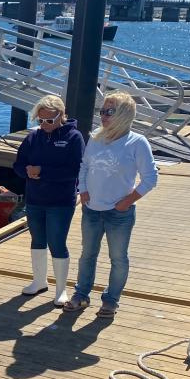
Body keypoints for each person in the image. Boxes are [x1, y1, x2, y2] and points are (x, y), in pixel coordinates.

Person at [64, 91, 158, 317]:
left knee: (118, 258)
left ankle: (111, 300)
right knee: (87, 254)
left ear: (124, 114)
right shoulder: (96, 138)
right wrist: (83, 190)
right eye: (102, 111)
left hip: (119, 213)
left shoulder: (137, 142)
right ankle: (81, 294)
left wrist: (127, 202)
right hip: (91, 210)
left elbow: (151, 178)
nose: (104, 116)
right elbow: (84, 166)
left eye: (110, 111)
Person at [13, 94, 84, 305]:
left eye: (49, 120)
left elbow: (74, 171)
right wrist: (27, 171)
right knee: (37, 241)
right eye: (41, 120)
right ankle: (39, 281)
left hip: (60, 202)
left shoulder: (74, 137)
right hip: (35, 199)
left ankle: (61, 290)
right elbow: (18, 164)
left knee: (57, 242)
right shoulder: (33, 137)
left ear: (61, 116)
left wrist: (42, 171)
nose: (44, 124)